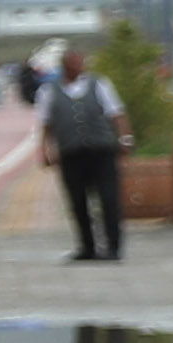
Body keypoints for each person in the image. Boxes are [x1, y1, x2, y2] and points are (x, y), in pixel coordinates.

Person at [45, 44, 131, 262]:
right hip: (71, 152)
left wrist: (125, 138)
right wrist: (46, 149)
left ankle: (113, 246)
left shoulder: (99, 84)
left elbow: (117, 114)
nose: (78, 66)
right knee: (77, 201)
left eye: (80, 62)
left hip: (101, 151)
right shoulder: (49, 91)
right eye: (73, 63)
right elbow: (46, 124)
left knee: (109, 198)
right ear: (64, 66)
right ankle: (87, 247)